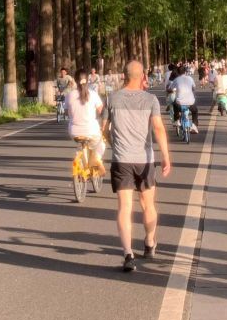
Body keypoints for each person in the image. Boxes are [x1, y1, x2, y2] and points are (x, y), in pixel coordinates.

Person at [101, 59, 171, 272]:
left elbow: (104, 129)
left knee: (125, 207)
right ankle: (149, 242)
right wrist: (166, 156)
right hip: (145, 160)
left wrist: (114, 144)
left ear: (124, 75)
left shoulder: (112, 99)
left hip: (121, 160)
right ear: (143, 77)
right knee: (148, 205)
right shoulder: (151, 100)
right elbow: (158, 129)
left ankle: (128, 253)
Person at [66, 69, 106, 173]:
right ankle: (96, 158)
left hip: (74, 132)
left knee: (80, 146)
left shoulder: (69, 95)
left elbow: (67, 113)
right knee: (101, 144)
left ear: (75, 80)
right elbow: (101, 110)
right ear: (87, 80)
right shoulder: (93, 94)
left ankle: (82, 161)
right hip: (91, 130)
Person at [171, 64, 199, 132]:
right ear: (185, 71)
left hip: (179, 103)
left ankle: (177, 120)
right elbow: (194, 87)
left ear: (178, 72)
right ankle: (194, 125)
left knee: (174, 104)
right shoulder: (190, 78)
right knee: (195, 111)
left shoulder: (176, 80)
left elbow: (170, 88)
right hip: (190, 103)